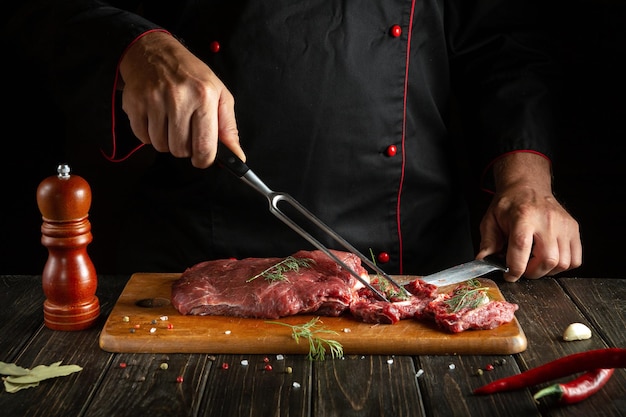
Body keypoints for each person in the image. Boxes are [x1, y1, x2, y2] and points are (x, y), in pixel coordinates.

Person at [3, 1, 582, 282]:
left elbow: (504, 40)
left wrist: (527, 182)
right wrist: (136, 47)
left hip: (412, 261)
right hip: (193, 252)